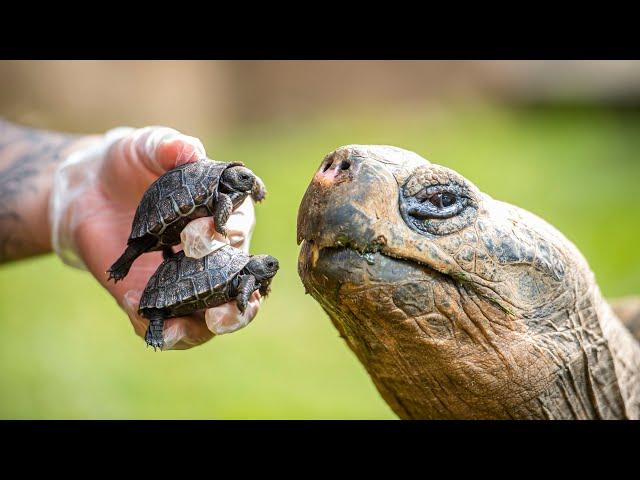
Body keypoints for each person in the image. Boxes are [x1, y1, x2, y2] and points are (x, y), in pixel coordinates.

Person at [0, 119, 262, 350]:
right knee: (139, 245)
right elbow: (223, 207)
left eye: (249, 180)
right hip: (165, 209)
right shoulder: (221, 193)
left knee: (156, 254)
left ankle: (155, 311)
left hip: (176, 231)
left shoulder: (232, 186)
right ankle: (124, 266)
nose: (247, 182)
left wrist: (84, 182)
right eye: (242, 178)